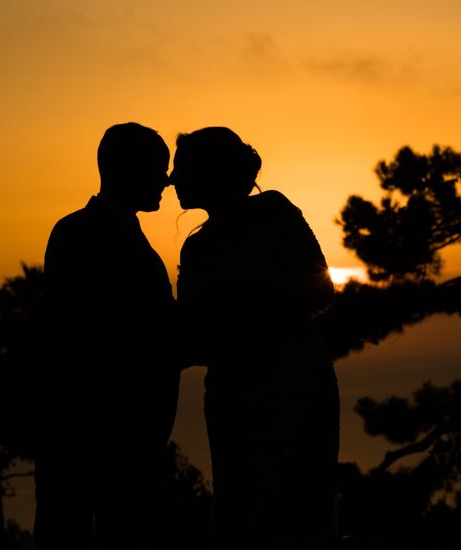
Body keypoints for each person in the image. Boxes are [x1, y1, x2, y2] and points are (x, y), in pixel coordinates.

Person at [172, 127, 339, 549]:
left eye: (183, 168)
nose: (172, 178)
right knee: (240, 513)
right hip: (235, 396)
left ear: (213, 173)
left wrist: (236, 325)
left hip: (295, 388)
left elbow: (320, 289)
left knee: (299, 511)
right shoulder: (196, 249)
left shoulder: (274, 212)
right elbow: (191, 331)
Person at [36, 122, 180, 549]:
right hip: (98, 435)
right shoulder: (80, 234)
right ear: (126, 170)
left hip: (116, 435)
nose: (166, 180)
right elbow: (91, 335)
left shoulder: (96, 232)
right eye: (158, 168)